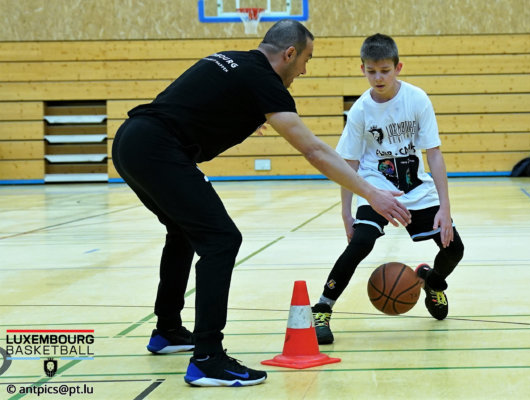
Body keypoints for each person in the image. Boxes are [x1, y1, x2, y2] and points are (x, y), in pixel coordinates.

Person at [111, 21, 411, 387]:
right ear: (289, 53)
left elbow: (196, 102)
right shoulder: (264, 81)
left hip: (131, 141)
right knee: (221, 240)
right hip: (157, 149)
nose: (304, 70)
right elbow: (314, 151)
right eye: (306, 60)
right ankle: (207, 358)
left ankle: (168, 330)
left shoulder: (233, 60)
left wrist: (242, 114)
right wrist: (371, 193)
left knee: (184, 232)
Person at [311, 33, 465, 345]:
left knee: (454, 248)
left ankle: (433, 283)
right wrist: (346, 213)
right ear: (362, 69)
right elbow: (349, 163)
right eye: (371, 71)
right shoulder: (360, 111)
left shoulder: (417, 99)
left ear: (398, 68)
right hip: (377, 187)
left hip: (416, 188)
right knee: (361, 243)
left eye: (384, 70)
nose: (378, 77)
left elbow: (434, 154)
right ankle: (322, 309)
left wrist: (445, 207)